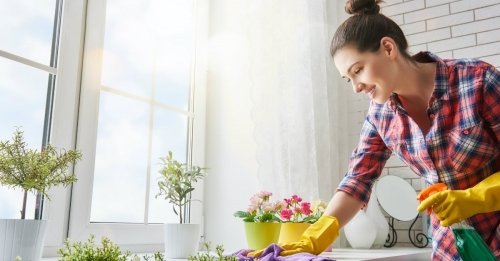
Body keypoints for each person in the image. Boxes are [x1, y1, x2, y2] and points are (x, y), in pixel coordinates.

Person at [249, 0, 500, 260]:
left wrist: (475, 198)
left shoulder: (477, 81)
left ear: (388, 48)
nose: (356, 86)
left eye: (358, 70)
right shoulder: (380, 116)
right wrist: (314, 236)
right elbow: (358, 180)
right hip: (451, 249)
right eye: (349, 78)